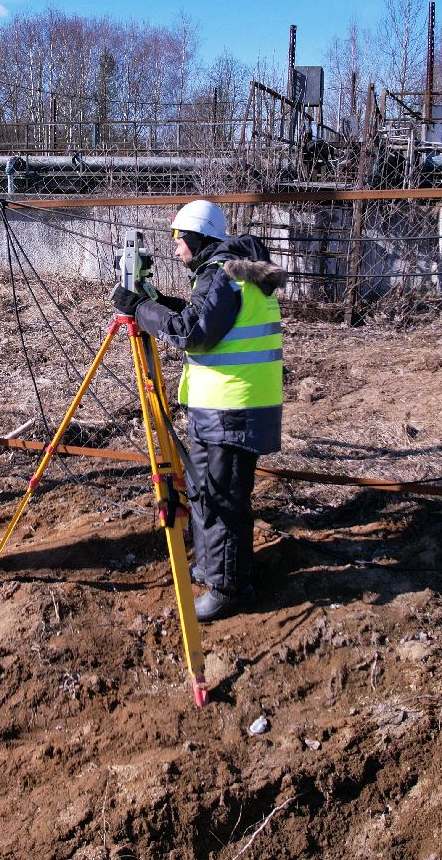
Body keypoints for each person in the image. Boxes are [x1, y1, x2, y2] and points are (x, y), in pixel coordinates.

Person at [110, 200, 286, 622]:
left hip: (234, 409)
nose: (174, 249)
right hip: (219, 406)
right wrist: (154, 301)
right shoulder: (225, 274)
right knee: (204, 490)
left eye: (178, 240)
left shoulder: (224, 276)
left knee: (224, 499)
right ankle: (212, 567)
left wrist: (139, 309)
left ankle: (230, 588)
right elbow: (198, 315)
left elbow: (194, 332)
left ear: (198, 238)